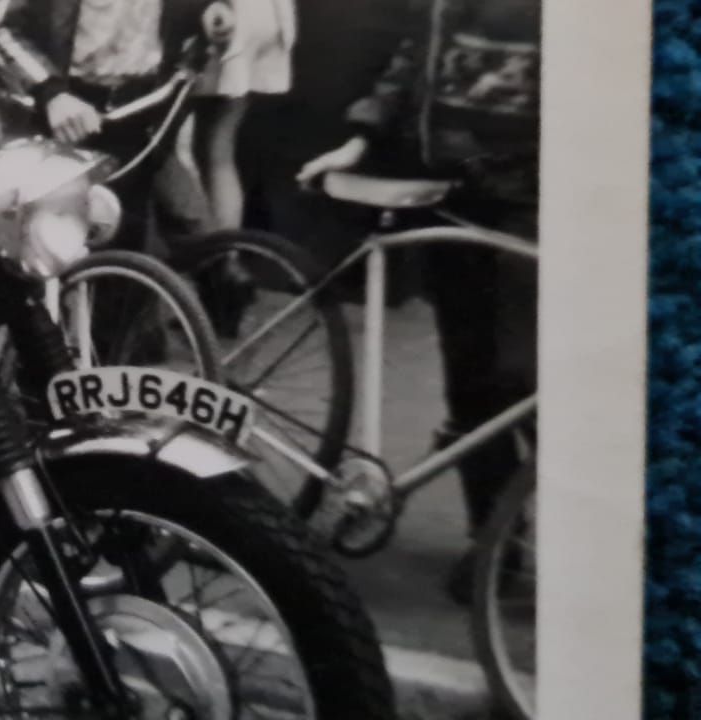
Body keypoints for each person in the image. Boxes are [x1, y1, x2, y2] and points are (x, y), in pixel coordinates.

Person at [295, 0, 541, 604]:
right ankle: (494, 538)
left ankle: (582, 538)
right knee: (471, 376)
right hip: (455, 187)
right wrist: (362, 136)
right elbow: (415, 53)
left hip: (537, 194)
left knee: (525, 375)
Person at [0, 0, 231, 257]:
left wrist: (209, 9)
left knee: (126, 246)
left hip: (140, 108)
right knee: (53, 246)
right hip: (68, 112)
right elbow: (2, 28)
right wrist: (52, 93)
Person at [187, 0, 295, 231]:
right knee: (220, 147)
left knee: (186, 147)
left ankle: (210, 244)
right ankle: (225, 247)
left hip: (227, 14)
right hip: (266, 14)